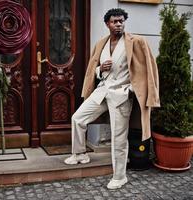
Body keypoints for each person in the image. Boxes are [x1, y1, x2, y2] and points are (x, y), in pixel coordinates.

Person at [64, 8, 160, 189]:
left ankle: (119, 176)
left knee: (118, 138)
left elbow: (149, 68)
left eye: (121, 21)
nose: (118, 24)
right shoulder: (102, 43)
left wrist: (132, 90)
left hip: (122, 95)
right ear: (107, 24)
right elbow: (94, 69)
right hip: (103, 90)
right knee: (78, 118)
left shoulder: (137, 41)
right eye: (114, 21)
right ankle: (79, 154)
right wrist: (101, 68)